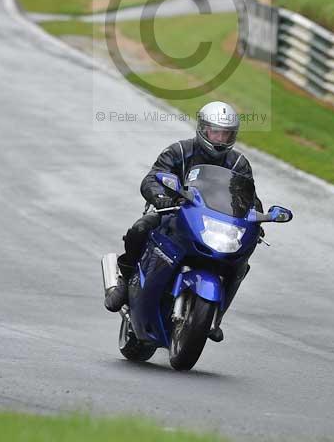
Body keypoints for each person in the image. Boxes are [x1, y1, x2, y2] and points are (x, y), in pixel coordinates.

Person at [104, 101, 263, 340]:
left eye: (226, 134)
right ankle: (124, 279)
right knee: (140, 228)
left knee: (241, 259)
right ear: (202, 129)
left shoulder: (239, 164)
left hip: (213, 225)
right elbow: (152, 178)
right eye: (215, 132)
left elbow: (249, 198)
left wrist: (256, 220)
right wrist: (161, 198)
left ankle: (215, 317)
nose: (219, 138)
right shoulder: (179, 151)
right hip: (174, 214)